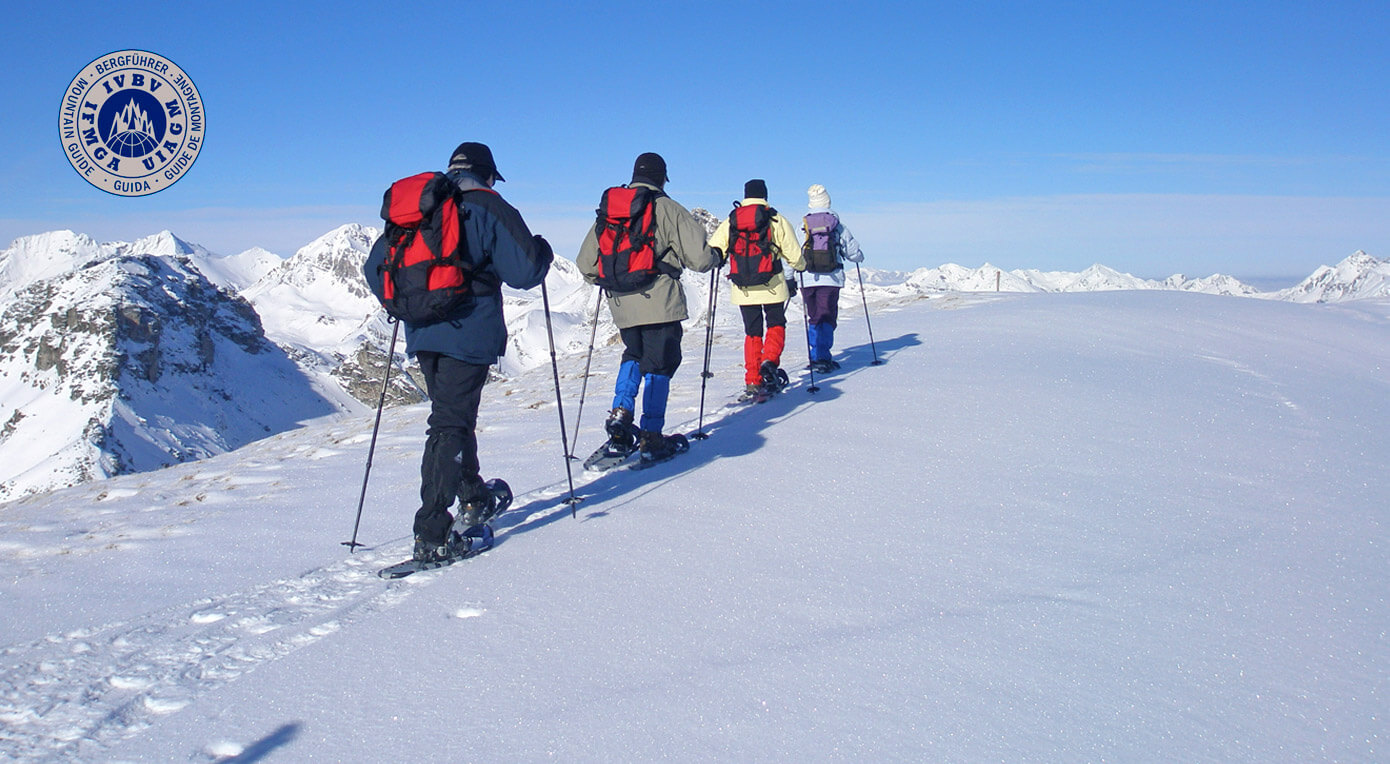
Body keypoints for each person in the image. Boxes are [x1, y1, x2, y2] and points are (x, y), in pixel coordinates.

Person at [363, 141, 553, 563]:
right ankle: (432, 529)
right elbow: (524, 273)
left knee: (454, 416)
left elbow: (374, 267)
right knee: (449, 423)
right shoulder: (489, 206)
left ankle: (473, 495)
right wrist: (541, 251)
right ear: (487, 174)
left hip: (422, 333)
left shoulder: (420, 207)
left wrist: (408, 304)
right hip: (468, 332)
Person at [576, 152, 721, 461]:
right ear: (662, 177)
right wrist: (717, 255)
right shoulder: (668, 209)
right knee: (659, 364)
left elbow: (585, 263)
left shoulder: (611, 211)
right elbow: (701, 258)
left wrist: (615, 282)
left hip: (622, 306)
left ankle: (620, 414)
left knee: (634, 355)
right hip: (660, 301)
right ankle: (652, 437)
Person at [707, 179, 805, 398]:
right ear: (765, 195)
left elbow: (714, 249)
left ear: (745, 195)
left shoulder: (732, 220)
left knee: (752, 331)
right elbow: (795, 256)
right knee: (776, 323)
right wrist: (801, 267)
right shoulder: (775, 219)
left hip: (743, 287)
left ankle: (753, 379)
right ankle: (769, 363)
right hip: (773, 284)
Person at [800, 183, 864, 373]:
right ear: (828, 202)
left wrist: (790, 277)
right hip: (831, 278)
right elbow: (852, 252)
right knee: (826, 316)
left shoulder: (802, 226)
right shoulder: (838, 226)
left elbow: (795, 254)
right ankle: (822, 357)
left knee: (814, 317)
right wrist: (860, 257)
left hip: (808, 278)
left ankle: (815, 355)